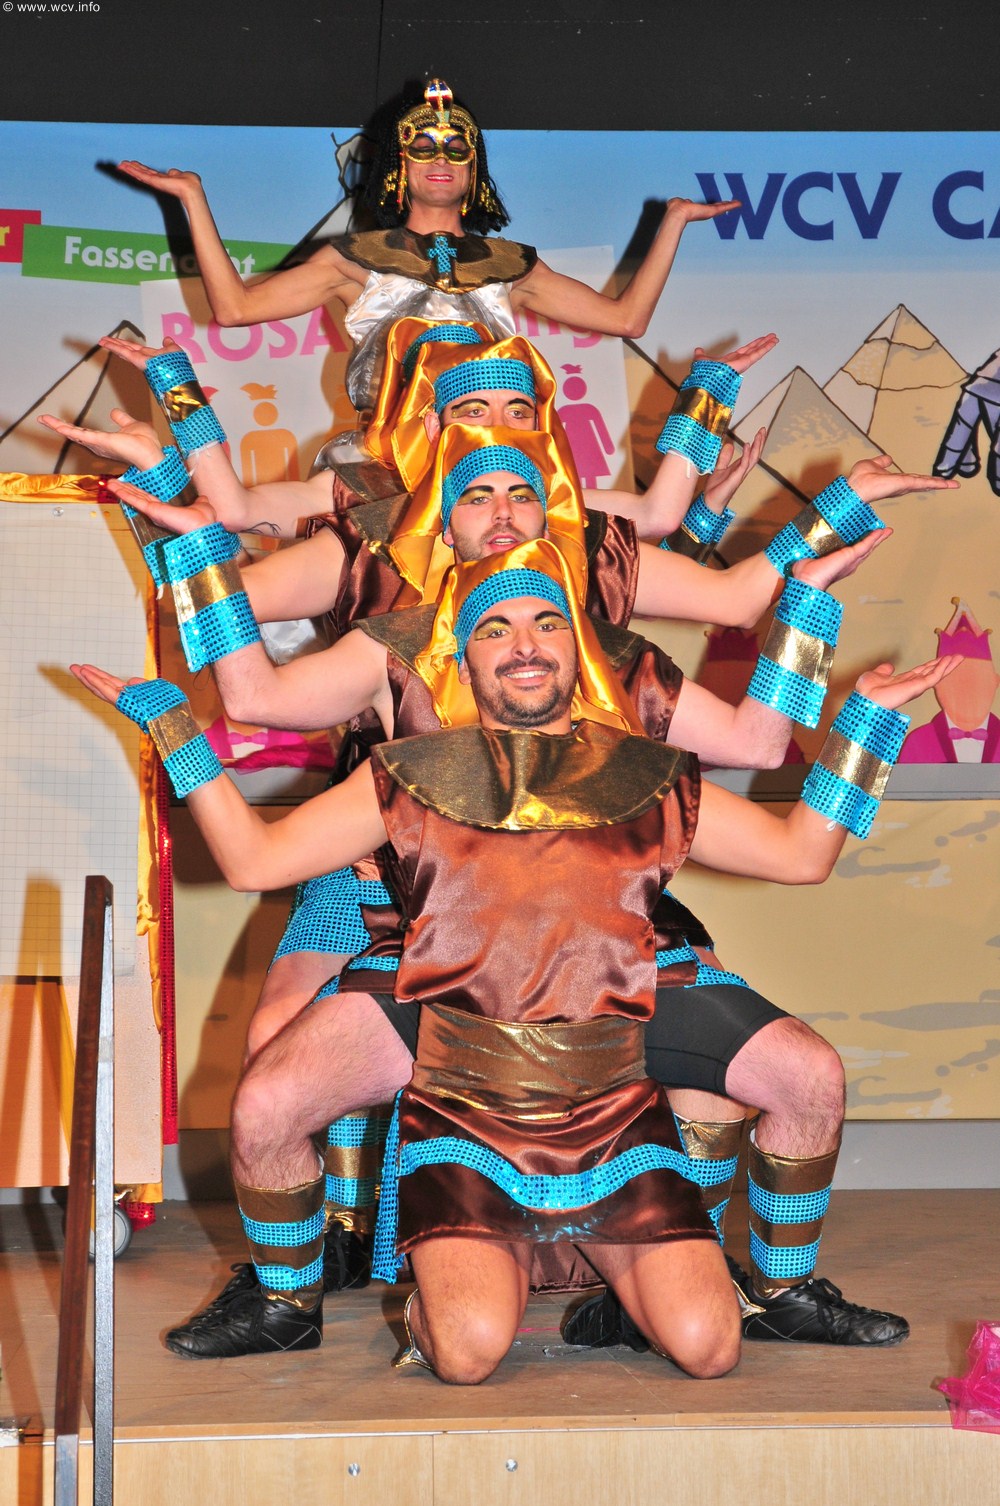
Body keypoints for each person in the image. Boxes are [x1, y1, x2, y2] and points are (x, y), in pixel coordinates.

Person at [96, 436, 941, 1355]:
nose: (525, 641)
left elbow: (792, 832)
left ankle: (767, 1288)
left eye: (547, 622)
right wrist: (175, 719)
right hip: (446, 990)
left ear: (581, 642)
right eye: (495, 628)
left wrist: (863, 718)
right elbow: (257, 833)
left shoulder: (642, 755)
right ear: (460, 649)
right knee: (271, 1100)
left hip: (617, 981)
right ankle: (289, 1299)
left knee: (802, 1087)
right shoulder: (405, 728)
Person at [115, 80, 739, 410]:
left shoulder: (512, 265)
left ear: (474, 169)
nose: (440, 158)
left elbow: (627, 321)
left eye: (456, 147)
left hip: (492, 463)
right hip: (389, 460)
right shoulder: (353, 258)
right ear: (400, 165)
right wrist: (192, 198)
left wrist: (674, 222)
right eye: (423, 146)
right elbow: (234, 310)